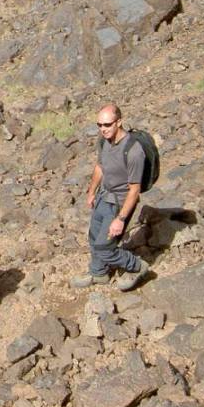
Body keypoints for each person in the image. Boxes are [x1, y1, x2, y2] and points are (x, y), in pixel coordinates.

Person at [71, 103, 151, 291]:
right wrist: (91, 192)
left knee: (104, 247)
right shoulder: (104, 141)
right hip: (103, 197)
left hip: (119, 204)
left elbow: (134, 190)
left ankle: (137, 266)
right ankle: (99, 273)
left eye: (107, 124)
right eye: (99, 125)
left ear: (119, 122)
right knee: (94, 238)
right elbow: (100, 166)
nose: (103, 129)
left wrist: (121, 219)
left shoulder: (133, 151)